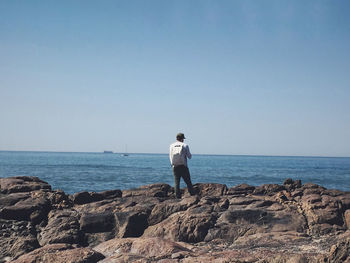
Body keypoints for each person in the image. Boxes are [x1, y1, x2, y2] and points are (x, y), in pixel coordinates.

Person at [169, 132, 195, 198]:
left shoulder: (171, 145)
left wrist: (172, 164)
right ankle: (192, 194)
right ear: (182, 139)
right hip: (183, 166)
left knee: (176, 182)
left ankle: (177, 196)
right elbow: (189, 156)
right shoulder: (185, 145)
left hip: (175, 166)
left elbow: (170, 156)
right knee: (188, 181)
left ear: (176, 138)